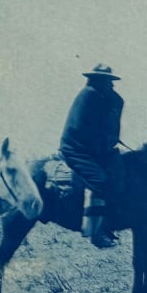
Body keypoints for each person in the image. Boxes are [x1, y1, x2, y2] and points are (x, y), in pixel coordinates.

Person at [58, 64, 125, 249]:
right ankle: (96, 232)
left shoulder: (100, 96)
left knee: (120, 174)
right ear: (97, 80)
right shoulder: (89, 96)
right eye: (106, 81)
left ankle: (108, 222)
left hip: (93, 150)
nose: (110, 85)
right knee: (100, 180)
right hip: (76, 150)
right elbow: (88, 133)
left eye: (110, 81)